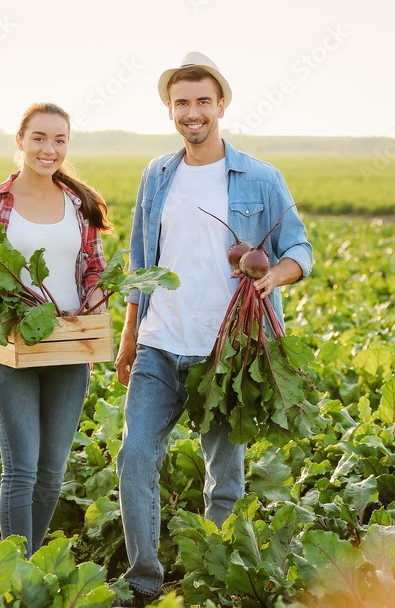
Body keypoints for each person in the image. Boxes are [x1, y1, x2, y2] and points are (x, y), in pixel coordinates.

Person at [111, 52, 313, 606]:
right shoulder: (157, 174)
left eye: (203, 101)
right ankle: (144, 581)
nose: (192, 112)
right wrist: (129, 333)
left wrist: (275, 273)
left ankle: (218, 578)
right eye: (182, 103)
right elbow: (139, 260)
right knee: (134, 458)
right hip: (159, 342)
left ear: (221, 104)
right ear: (170, 110)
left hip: (228, 352)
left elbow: (300, 246)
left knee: (223, 475)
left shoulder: (260, 177)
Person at [0, 102, 111, 558]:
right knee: (21, 470)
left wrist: (97, 303)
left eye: (60, 140)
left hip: (68, 345)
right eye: (40, 138)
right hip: (13, 348)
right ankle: (15, 573)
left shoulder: (78, 204)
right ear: (20, 140)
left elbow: (93, 269)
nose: (50, 149)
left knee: (51, 473)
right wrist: (11, 313)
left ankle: (29, 563)